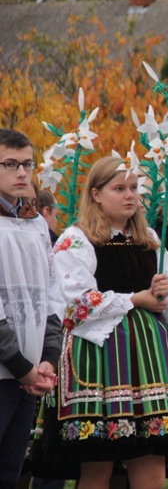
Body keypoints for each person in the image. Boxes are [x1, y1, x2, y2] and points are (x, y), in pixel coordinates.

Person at [32, 156, 168, 488]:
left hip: (149, 358)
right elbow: (73, 302)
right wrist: (135, 299)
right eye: (119, 188)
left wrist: (164, 294)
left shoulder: (148, 237)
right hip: (101, 357)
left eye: (133, 188)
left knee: (150, 462)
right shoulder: (78, 238)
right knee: (98, 464)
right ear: (96, 194)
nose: (129, 195)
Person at [0, 129, 61, 487]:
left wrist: (48, 358)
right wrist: (22, 367)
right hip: (10, 368)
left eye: (28, 164)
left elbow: (52, 296)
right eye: (10, 164)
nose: (22, 173)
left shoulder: (36, 222)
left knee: (11, 472)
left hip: (30, 374)